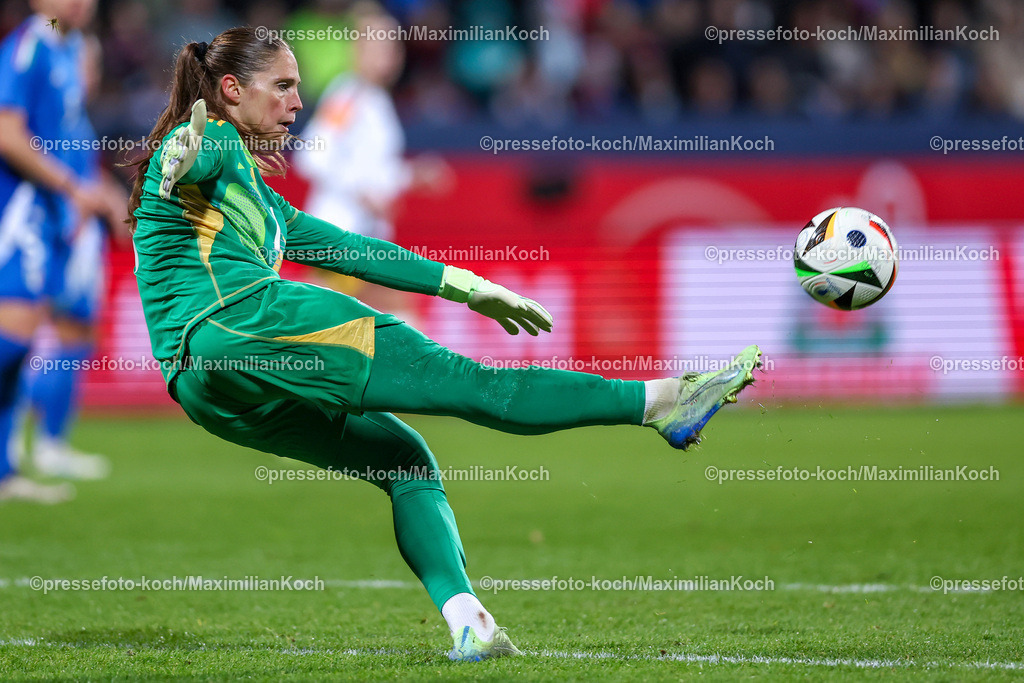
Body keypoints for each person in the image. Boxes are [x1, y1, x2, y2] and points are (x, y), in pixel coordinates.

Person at [129, 27, 761, 661]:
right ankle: (663, 401)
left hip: (202, 386)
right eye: (285, 86)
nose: (298, 103)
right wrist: (183, 152)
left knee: (406, 462)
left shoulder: (265, 204)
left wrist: (466, 285)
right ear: (233, 90)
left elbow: (353, 250)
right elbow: (192, 155)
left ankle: (470, 624)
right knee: (476, 386)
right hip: (244, 323)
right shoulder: (210, 140)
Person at [0, 0, 123, 502]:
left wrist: (101, 194)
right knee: (13, 335)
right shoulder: (29, 47)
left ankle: (6, 474)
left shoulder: (67, 47)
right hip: (19, 212)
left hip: (51, 217)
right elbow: (8, 134)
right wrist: (72, 186)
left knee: (25, 341)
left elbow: (68, 136)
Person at [294, 6, 451, 320]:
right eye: (381, 45)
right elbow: (311, 156)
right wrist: (362, 193)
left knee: (339, 326)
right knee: (399, 317)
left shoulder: (375, 99)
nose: (391, 54)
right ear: (358, 49)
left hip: (360, 236)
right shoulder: (347, 96)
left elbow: (375, 171)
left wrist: (415, 175)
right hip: (342, 235)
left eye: (394, 45)